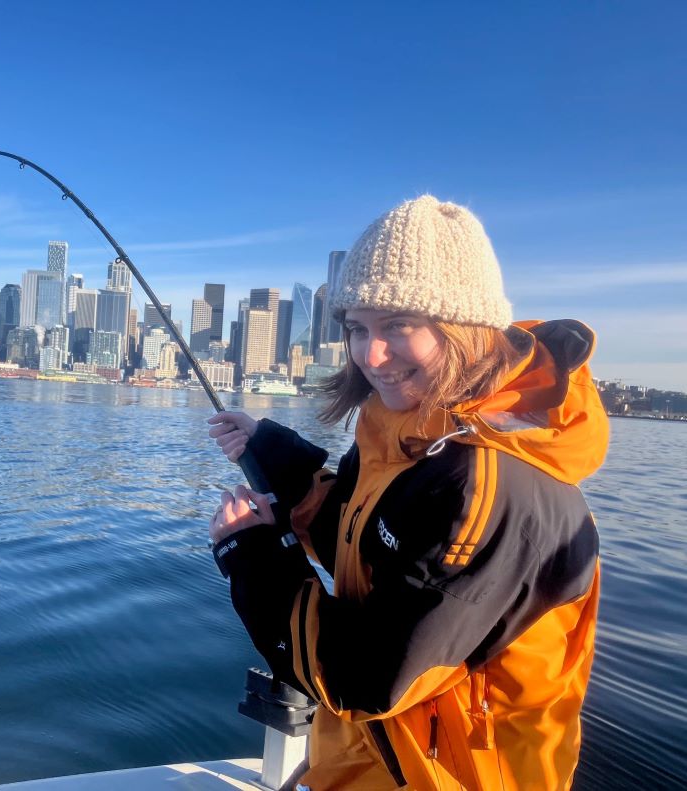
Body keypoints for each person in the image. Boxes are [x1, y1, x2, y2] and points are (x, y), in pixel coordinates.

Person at [206, 195, 608, 791]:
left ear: (465, 328)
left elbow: (362, 681)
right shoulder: (410, 426)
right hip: (373, 759)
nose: (371, 355)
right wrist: (272, 453)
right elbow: (359, 530)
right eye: (357, 328)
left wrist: (252, 558)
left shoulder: (487, 488)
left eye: (398, 325)